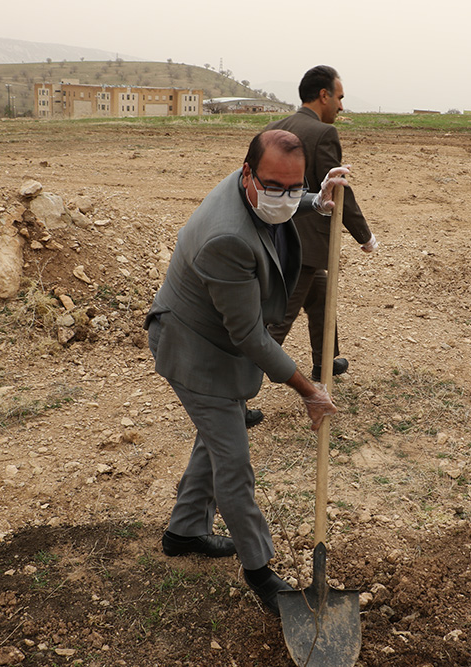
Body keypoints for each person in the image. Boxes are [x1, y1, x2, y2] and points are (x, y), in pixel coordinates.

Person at [145, 129, 343, 615]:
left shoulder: (259, 188)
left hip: (217, 339)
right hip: (194, 348)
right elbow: (251, 337)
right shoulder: (226, 237)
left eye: (295, 187)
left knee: (217, 437)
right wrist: (307, 389)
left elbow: (282, 199)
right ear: (248, 172)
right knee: (233, 464)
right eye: (276, 187)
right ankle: (261, 574)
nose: (285, 197)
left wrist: (315, 201)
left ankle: (185, 532)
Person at [264, 65, 377, 382]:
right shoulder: (323, 134)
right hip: (302, 245)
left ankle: (324, 362)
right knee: (277, 322)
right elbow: (337, 189)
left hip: (274, 236)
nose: (341, 106)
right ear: (323, 95)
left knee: (321, 296)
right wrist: (364, 235)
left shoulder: (274, 126)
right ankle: (236, 396)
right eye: (339, 98)